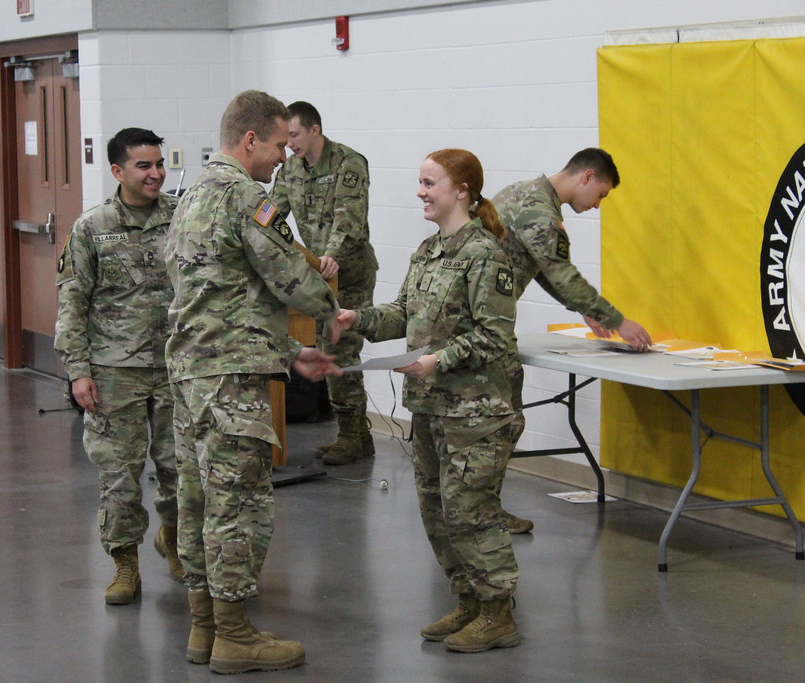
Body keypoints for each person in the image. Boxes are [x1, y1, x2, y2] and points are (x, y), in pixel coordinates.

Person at [164, 90, 341, 674]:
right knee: (238, 507)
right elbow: (291, 278)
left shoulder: (190, 195)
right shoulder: (246, 197)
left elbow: (218, 297)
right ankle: (236, 636)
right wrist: (329, 308)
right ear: (250, 141)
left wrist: (290, 351)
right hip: (230, 382)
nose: (284, 158)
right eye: (279, 146)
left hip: (192, 375)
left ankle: (204, 629)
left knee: (196, 503)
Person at [333, 149, 522, 653]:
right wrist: (360, 319)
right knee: (437, 511)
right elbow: (403, 314)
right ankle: (468, 601)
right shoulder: (427, 251)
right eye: (419, 181)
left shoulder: (485, 254)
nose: (420, 191)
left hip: (475, 413)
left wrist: (437, 360)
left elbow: (494, 336)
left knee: (472, 512)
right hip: (431, 408)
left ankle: (498, 612)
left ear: (461, 190)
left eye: (428, 182)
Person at [492, 147, 652, 534]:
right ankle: (481, 514)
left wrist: (582, 307)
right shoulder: (542, 213)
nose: (597, 205)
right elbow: (560, 271)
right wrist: (618, 320)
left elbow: (540, 265)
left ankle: (468, 510)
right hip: (482, 322)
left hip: (472, 315)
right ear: (587, 177)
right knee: (502, 421)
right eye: (601, 194)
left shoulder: (522, 193)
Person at [54, 127, 183, 606]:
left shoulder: (182, 217)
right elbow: (72, 301)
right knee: (120, 476)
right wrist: (77, 369)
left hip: (176, 366)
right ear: (118, 171)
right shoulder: (93, 227)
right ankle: (125, 564)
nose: (155, 174)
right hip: (114, 370)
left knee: (180, 468)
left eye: (159, 164)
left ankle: (174, 540)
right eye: (144, 166)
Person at [270, 101, 379, 465]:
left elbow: (348, 220)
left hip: (349, 273)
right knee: (326, 347)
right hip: (316, 275)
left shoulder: (349, 163)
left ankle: (352, 434)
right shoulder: (290, 170)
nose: (290, 144)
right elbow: (272, 215)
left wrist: (331, 256)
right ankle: (358, 436)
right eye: (286, 138)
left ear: (315, 129)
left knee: (340, 349)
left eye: (295, 135)